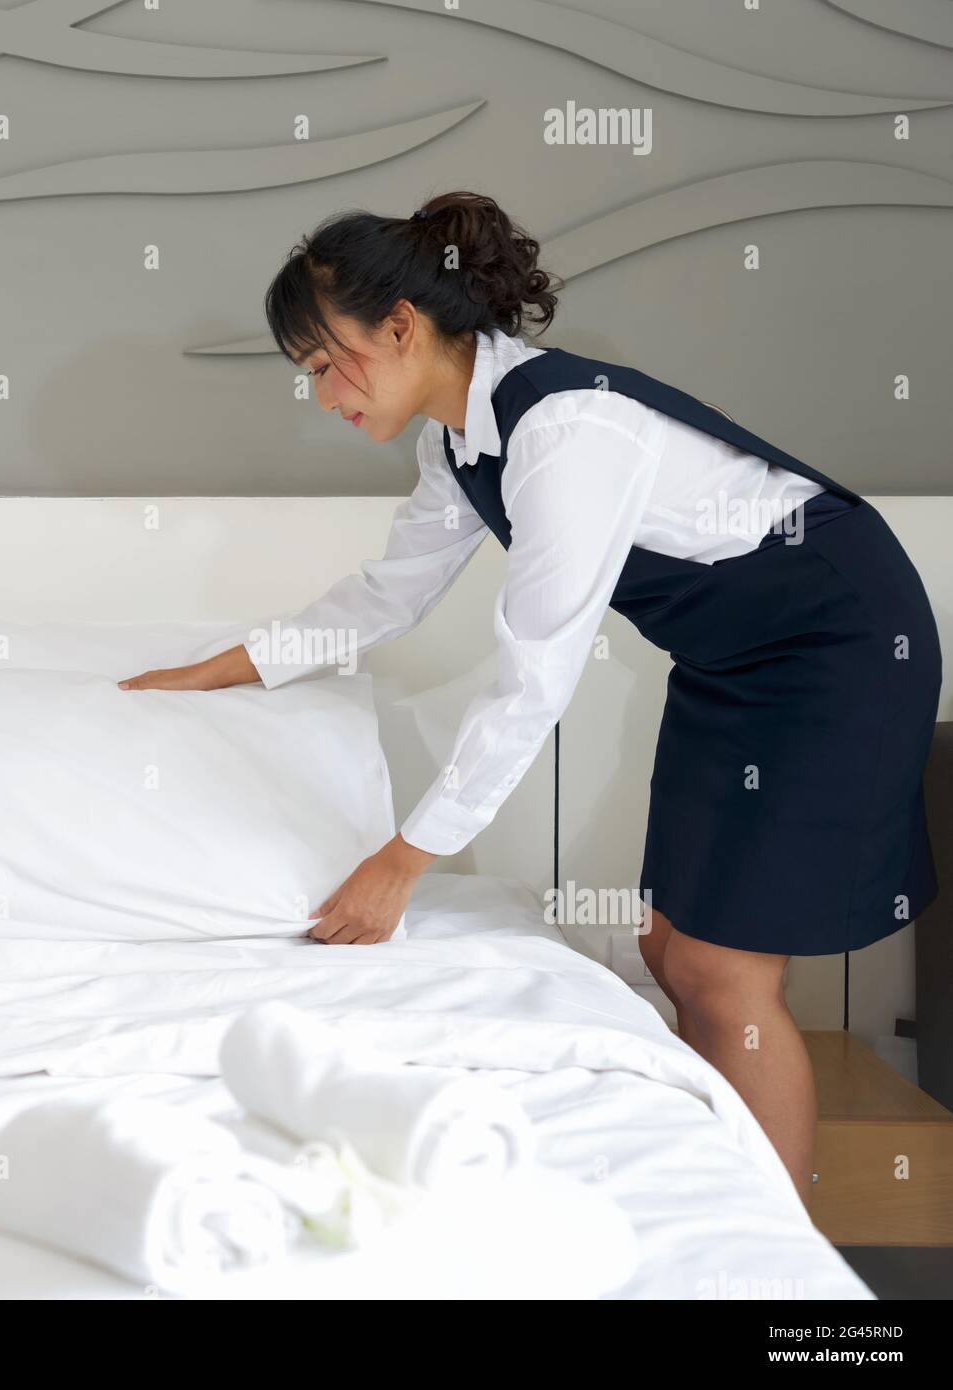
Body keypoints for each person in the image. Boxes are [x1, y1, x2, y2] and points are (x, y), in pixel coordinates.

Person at [118, 190, 942, 1204]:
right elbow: (387, 598)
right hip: (732, 660)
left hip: (835, 643)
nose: (325, 394)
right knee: (667, 946)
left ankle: (770, 1256)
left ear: (402, 325)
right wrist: (213, 669)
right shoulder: (457, 443)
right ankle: (719, 1193)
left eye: (329, 361)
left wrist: (401, 859)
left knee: (726, 975)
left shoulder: (566, 432)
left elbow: (535, 675)